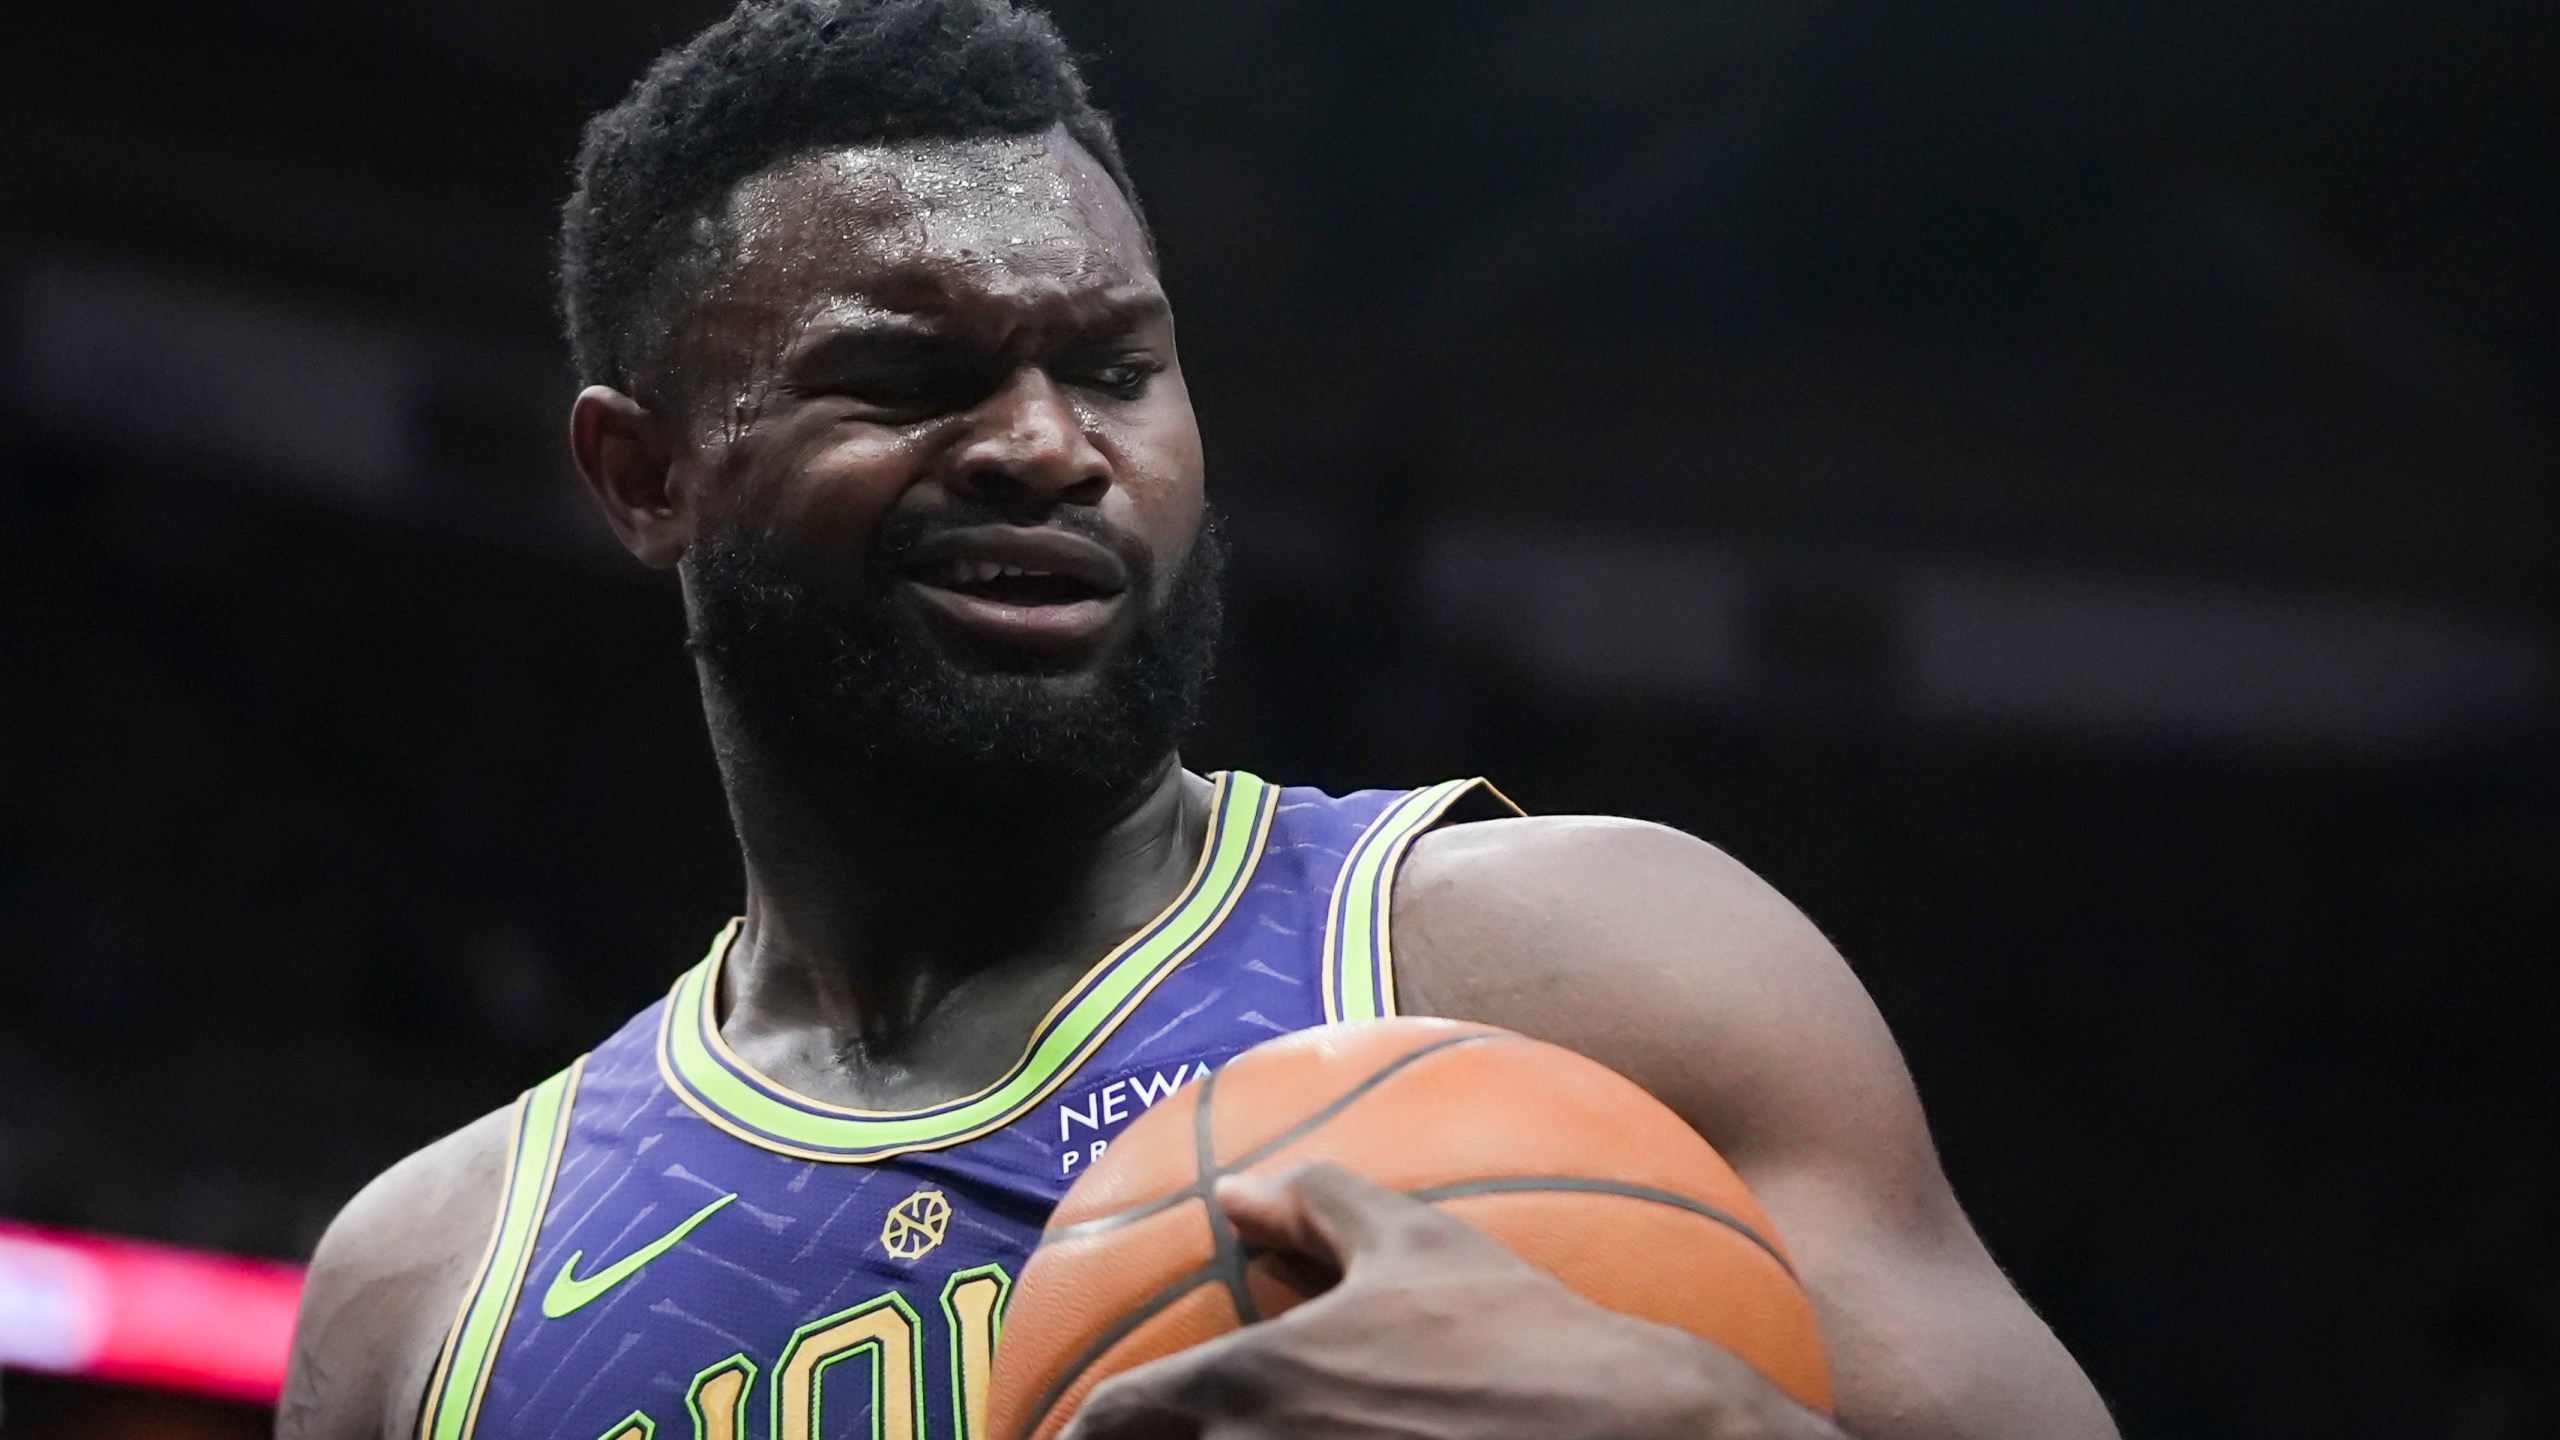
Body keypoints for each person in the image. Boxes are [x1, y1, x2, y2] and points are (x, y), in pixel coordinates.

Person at [278, 2, 2114, 1437]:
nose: (1046, 444)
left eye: (1112, 367)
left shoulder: (1578, 970)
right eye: (912, 376)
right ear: (646, 471)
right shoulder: (430, 1293)